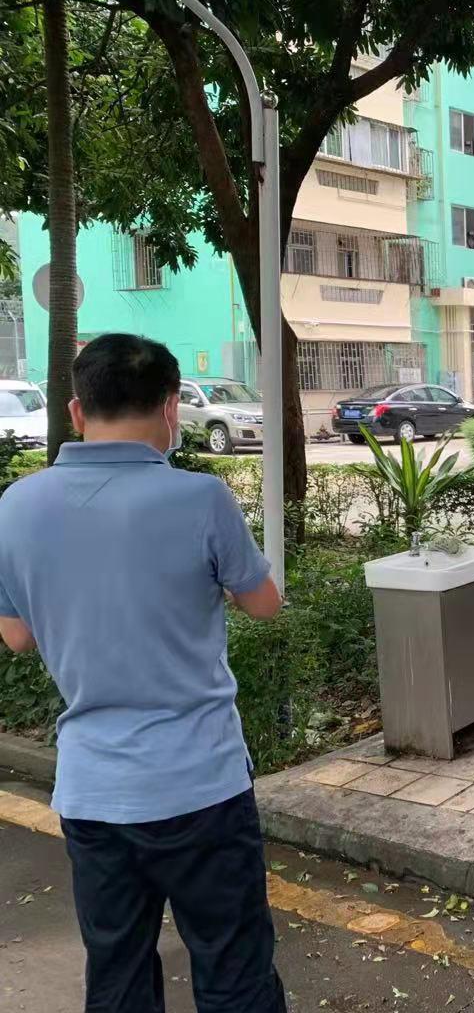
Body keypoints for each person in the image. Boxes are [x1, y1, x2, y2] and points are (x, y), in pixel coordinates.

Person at [0, 334, 288, 1012]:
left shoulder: (17, 505)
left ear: (76, 411)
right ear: (170, 407)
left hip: (93, 790)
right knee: (234, 970)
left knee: (118, 974)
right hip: (201, 781)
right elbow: (264, 604)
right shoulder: (201, 498)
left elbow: (17, 637)